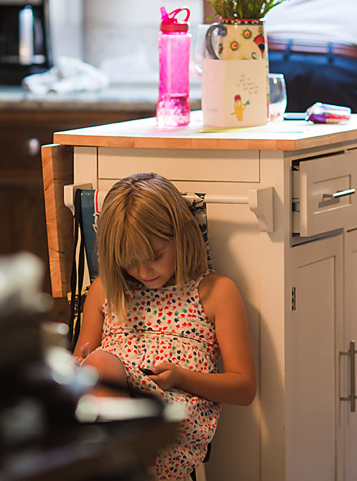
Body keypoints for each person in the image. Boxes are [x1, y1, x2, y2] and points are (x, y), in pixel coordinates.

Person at [73, 172, 256, 481]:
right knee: (97, 368)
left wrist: (181, 377)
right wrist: (79, 366)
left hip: (173, 414)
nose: (143, 271)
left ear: (180, 237)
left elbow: (244, 388)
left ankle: (130, 457)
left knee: (102, 369)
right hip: (112, 406)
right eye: (129, 261)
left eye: (155, 256)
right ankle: (131, 458)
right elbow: (81, 363)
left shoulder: (214, 292)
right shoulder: (106, 289)